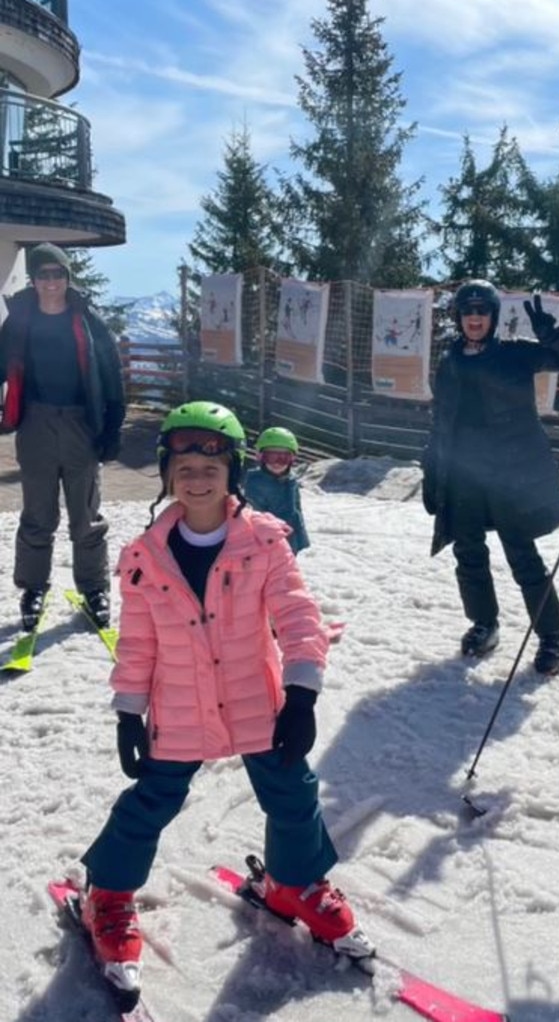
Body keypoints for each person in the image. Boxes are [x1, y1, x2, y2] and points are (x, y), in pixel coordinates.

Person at [78, 401, 372, 996]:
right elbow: (136, 642)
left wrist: (302, 693)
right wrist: (129, 711)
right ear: (165, 473)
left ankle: (294, 883)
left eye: (210, 463)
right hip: (180, 704)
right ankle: (105, 894)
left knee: (292, 793)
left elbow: (296, 615)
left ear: (234, 471)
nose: (196, 476)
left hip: (254, 700)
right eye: (182, 464)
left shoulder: (263, 541)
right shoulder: (145, 557)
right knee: (154, 800)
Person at [422, 279, 559, 668]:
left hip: (509, 475)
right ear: (458, 318)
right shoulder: (449, 362)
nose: (475, 318)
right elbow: (440, 420)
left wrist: (553, 335)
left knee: (522, 555)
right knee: (468, 552)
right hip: (463, 474)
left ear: (493, 317)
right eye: (468, 312)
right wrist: (432, 468)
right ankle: (484, 623)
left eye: (482, 311)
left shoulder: (516, 354)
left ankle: (552, 638)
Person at [0, 243, 125, 631]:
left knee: (85, 513)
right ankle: (33, 588)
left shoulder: (87, 319)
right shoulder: (19, 320)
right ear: (34, 279)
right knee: (38, 513)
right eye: (43, 274)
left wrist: (112, 426)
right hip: (35, 423)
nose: (51, 282)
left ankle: (93, 588)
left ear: (68, 278)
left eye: (58, 274)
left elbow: (112, 374)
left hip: (80, 424)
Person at [244, 426, 310, 554]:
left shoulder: (290, 481)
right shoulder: (256, 484)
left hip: (289, 541)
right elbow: (254, 516)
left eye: (283, 458)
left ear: (292, 459)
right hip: (266, 544)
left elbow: (296, 510)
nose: (277, 463)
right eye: (271, 457)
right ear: (260, 457)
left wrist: (300, 539)